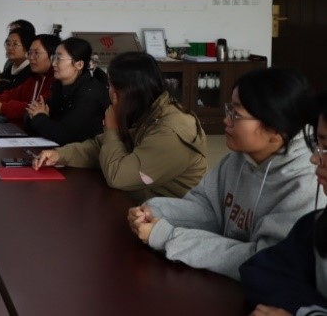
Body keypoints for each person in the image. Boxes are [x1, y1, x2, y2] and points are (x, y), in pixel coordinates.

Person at [124, 67, 316, 280]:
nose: (226, 120)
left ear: (275, 130)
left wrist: (167, 237)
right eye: (229, 109)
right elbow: (207, 207)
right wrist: (155, 213)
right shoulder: (238, 159)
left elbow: (264, 261)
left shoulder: (305, 185)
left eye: (236, 114)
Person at [33, 51, 207, 201]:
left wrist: (112, 129)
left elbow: (119, 177)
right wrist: (60, 155)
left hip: (169, 216)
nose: (109, 91)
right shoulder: (145, 109)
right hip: (141, 203)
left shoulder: (171, 130)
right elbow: (99, 147)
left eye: (111, 86)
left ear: (125, 91)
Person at [240, 91, 327, 315]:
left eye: (326, 147)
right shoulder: (314, 226)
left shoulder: (302, 186)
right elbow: (260, 272)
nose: (315, 158)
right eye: (318, 145)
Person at [23, 37, 109, 145]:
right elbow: (32, 115)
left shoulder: (90, 93)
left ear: (79, 65)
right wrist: (36, 115)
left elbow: (64, 135)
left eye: (59, 59)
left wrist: (39, 117)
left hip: (84, 153)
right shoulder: (58, 86)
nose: (53, 63)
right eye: (53, 57)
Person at [0, 34, 58, 120]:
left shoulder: (57, 81)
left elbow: (37, 109)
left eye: (36, 53)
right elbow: (13, 94)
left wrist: (1, 107)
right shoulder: (35, 78)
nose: (31, 58)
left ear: (53, 57)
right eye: (30, 53)